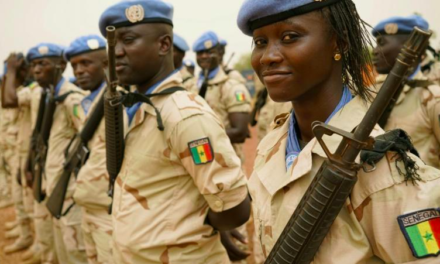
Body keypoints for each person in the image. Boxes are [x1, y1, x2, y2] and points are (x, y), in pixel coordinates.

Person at [237, 0, 440, 263]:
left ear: (339, 42)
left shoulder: (386, 173)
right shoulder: (273, 143)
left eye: (290, 37)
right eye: (260, 42)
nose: (268, 56)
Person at [98, 0, 250, 263]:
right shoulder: (139, 106)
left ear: (163, 45)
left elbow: (234, 207)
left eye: (128, 40)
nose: (117, 53)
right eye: (113, 44)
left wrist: (197, 224)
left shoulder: (183, 115)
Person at [28, 43, 88, 263]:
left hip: (68, 189)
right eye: (34, 65)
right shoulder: (49, 95)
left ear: (61, 66)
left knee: (75, 252)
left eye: (42, 64)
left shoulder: (72, 98)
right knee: (61, 249)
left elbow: (91, 142)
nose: (36, 70)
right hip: (51, 183)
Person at [64, 34, 115, 264]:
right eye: (74, 66)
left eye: (86, 63)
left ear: (106, 64)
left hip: (110, 209)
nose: (79, 71)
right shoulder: (85, 102)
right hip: (88, 201)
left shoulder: (118, 101)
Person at [372, 15, 440, 169]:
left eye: (381, 43)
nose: (375, 51)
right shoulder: (372, 91)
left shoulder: (432, 98)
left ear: (409, 47)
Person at [193, 31, 251, 164]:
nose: (203, 56)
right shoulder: (192, 85)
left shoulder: (232, 87)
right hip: (198, 159)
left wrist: (198, 139)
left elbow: (240, 132)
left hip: (225, 161)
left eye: (209, 52)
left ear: (219, 54)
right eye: (200, 53)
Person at [1, 53, 34, 255]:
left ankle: (34, 239)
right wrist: (9, 73)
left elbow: (8, 101)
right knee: (20, 197)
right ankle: (25, 233)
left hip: (26, 155)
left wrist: (12, 71)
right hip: (17, 152)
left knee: (30, 202)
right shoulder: (22, 90)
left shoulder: (31, 90)